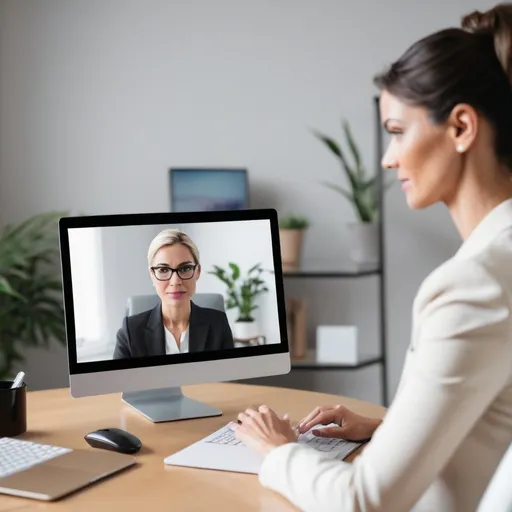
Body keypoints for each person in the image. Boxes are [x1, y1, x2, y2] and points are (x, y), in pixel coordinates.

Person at [229, 4, 512, 511]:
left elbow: (366, 501)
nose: (387, 157)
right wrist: (391, 431)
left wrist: (279, 452)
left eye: (398, 130)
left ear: (462, 127)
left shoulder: (474, 283)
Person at [113, 228, 234, 358]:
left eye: (185, 268)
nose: (175, 281)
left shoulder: (218, 324)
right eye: (164, 270)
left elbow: (229, 375)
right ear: (152, 275)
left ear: (197, 272)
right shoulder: (130, 331)